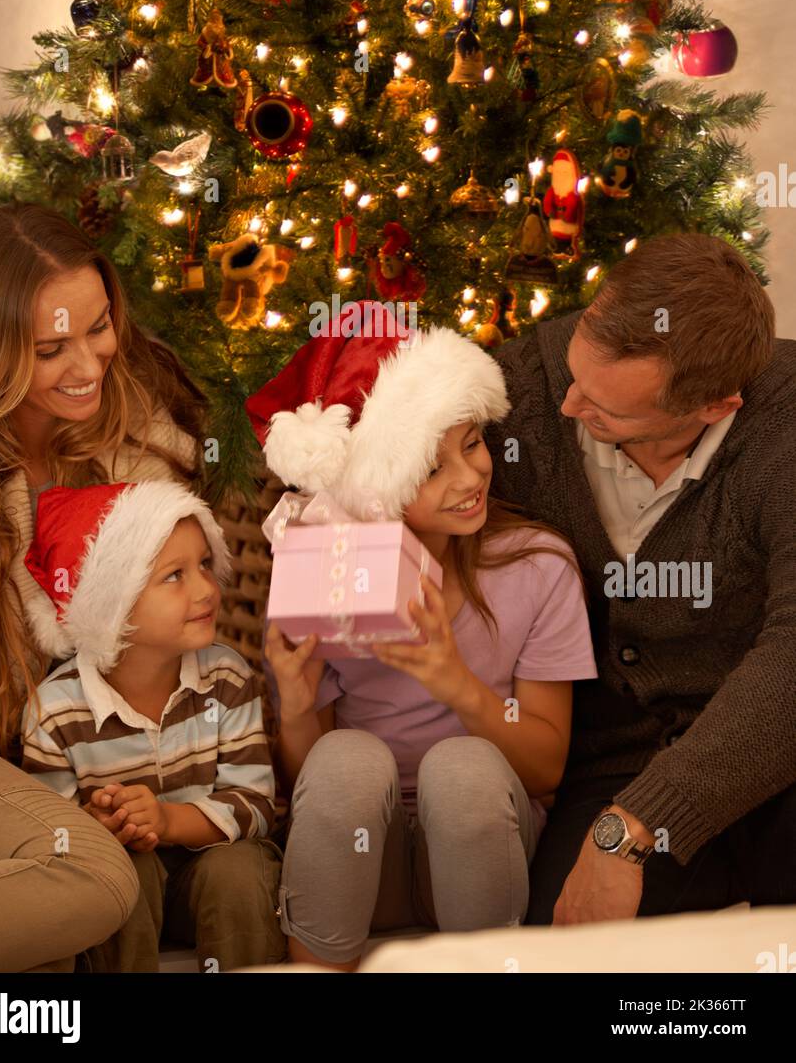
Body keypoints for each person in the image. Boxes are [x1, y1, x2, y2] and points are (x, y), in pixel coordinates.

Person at [244, 305, 598, 970]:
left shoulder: (536, 566)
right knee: (346, 758)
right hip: (361, 861)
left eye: (471, 444)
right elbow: (308, 778)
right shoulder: (322, 574)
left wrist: (453, 682)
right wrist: (293, 706)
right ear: (374, 492)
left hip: (477, 858)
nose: (468, 477)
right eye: (430, 471)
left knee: (460, 770)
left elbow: (545, 768)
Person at [482, 232, 796, 925]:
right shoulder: (525, 392)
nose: (570, 411)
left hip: (775, 764)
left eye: (607, 413)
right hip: (606, 772)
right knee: (563, 951)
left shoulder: (784, 428)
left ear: (715, 408)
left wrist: (633, 829)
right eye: (574, 380)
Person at [0, 203, 207, 972]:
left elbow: (160, 641)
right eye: (51, 348)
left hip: (46, 767)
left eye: (98, 327)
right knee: (83, 875)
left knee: (44, 939)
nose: (88, 364)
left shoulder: (138, 448)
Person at [20, 479, 285, 972]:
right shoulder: (54, 713)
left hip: (210, 888)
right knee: (124, 869)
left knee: (241, 867)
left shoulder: (226, 678)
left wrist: (165, 823)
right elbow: (49, 841)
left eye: (206, 564)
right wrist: (102, 828)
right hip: (124, 900)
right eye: (174, 576)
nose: (208, 587)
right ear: (111, 604)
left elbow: (255, 806)